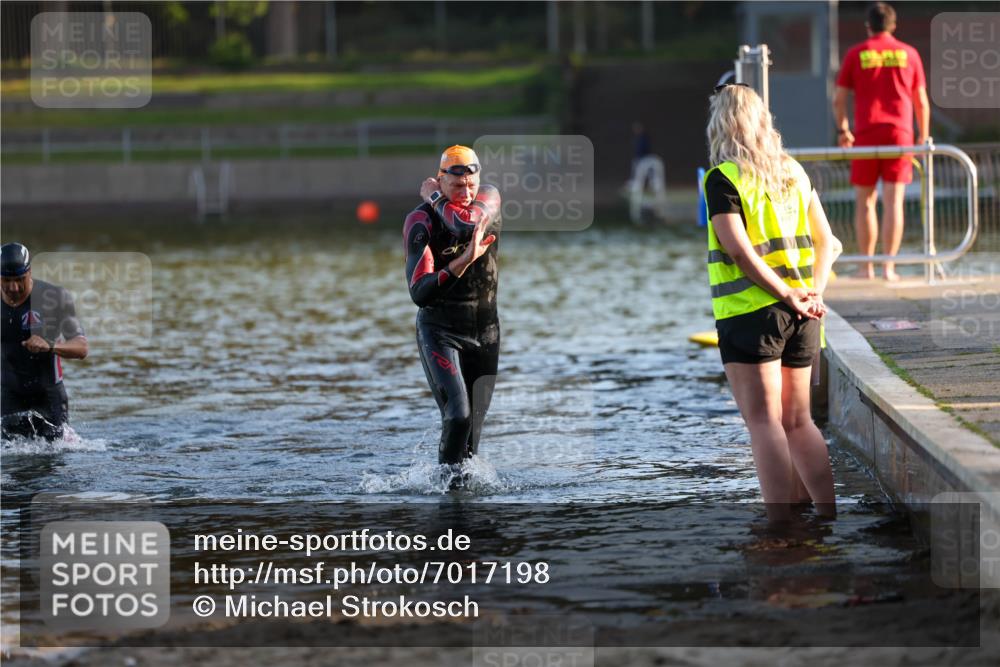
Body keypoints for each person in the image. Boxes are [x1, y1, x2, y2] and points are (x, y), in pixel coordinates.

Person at [704, 84, 839, 521]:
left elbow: (740, 253)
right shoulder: (793, 172)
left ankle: (780, 527)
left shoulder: (723, 177)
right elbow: (829, 243)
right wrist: (810, 294)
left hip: (751, 313)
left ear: (720, 124)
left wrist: (785, 293)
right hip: (804, 313)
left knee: (763, 423)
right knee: (799, 421)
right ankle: (825, 515)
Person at [403, 146, 501, 472]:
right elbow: (419, 293)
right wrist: (461, 263)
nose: (466, 193)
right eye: (457, 186)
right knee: (458, 416)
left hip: (484, 331)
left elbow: (466, 226)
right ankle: (447, 495)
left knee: (473, 433)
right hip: (439, 329)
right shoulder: (421, 220)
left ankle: (467, 510)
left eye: (470, 184)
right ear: (441, 181)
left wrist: (435, 197)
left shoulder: (488, 198)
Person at [834, 1, 929, 281]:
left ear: (868, 26)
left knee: (864, 202)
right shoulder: (909, 54)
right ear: (893, 26)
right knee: (894, 202)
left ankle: (866, 268)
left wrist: (843, 130)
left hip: (866, 135)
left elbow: (838, 99)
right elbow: (921, 101)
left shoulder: (856, 54)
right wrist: (922, 135)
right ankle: (889, 268)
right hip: (900, 134)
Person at [1, 242, 88, 440]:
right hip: (9, 396)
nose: (13, 287)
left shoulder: (54, 298)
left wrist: (50, 346)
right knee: (14, 463)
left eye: (20, 279)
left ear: (30, 272)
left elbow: (82, 348)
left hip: (49, 396)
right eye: (6, 280)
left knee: (52, 462)